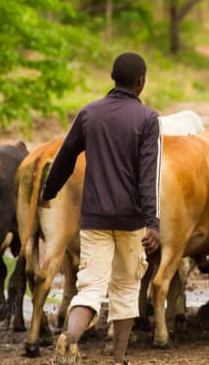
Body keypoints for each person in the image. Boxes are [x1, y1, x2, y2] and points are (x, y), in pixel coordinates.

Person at [41, 52, 161, 365]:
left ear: (112, 77)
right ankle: (118, 358)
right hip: (132, 220)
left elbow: (65, 156)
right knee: (125, 290)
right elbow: (150, 174)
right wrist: (153, 222)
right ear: (141, 82)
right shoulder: (148, 119)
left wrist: (48, 192)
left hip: (94, 219)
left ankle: (71, 337)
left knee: (90, 287)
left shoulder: (89, 113)